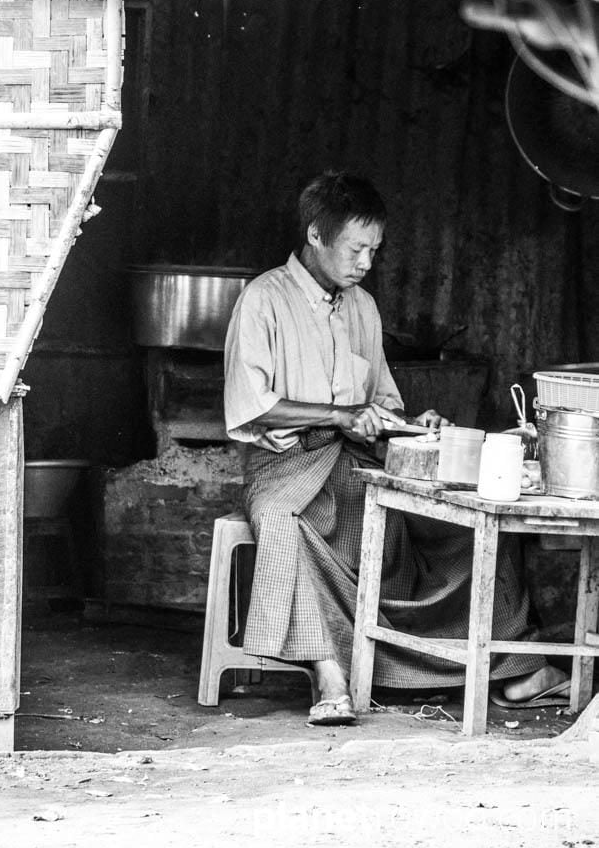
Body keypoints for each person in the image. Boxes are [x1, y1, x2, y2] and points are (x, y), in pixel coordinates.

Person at [223, 169, 568, 725]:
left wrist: (408, 422)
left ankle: (509, 666)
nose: (365, 263)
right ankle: (328, 670)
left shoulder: (362, 306)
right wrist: (341, 414)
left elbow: (379, 404)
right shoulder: (264, 299)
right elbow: (251, 406)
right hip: (286, 465)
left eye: (374, 251)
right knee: (283, 520)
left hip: (357, 466)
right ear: (316, 235)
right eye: (357, 248)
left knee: (461, 524)